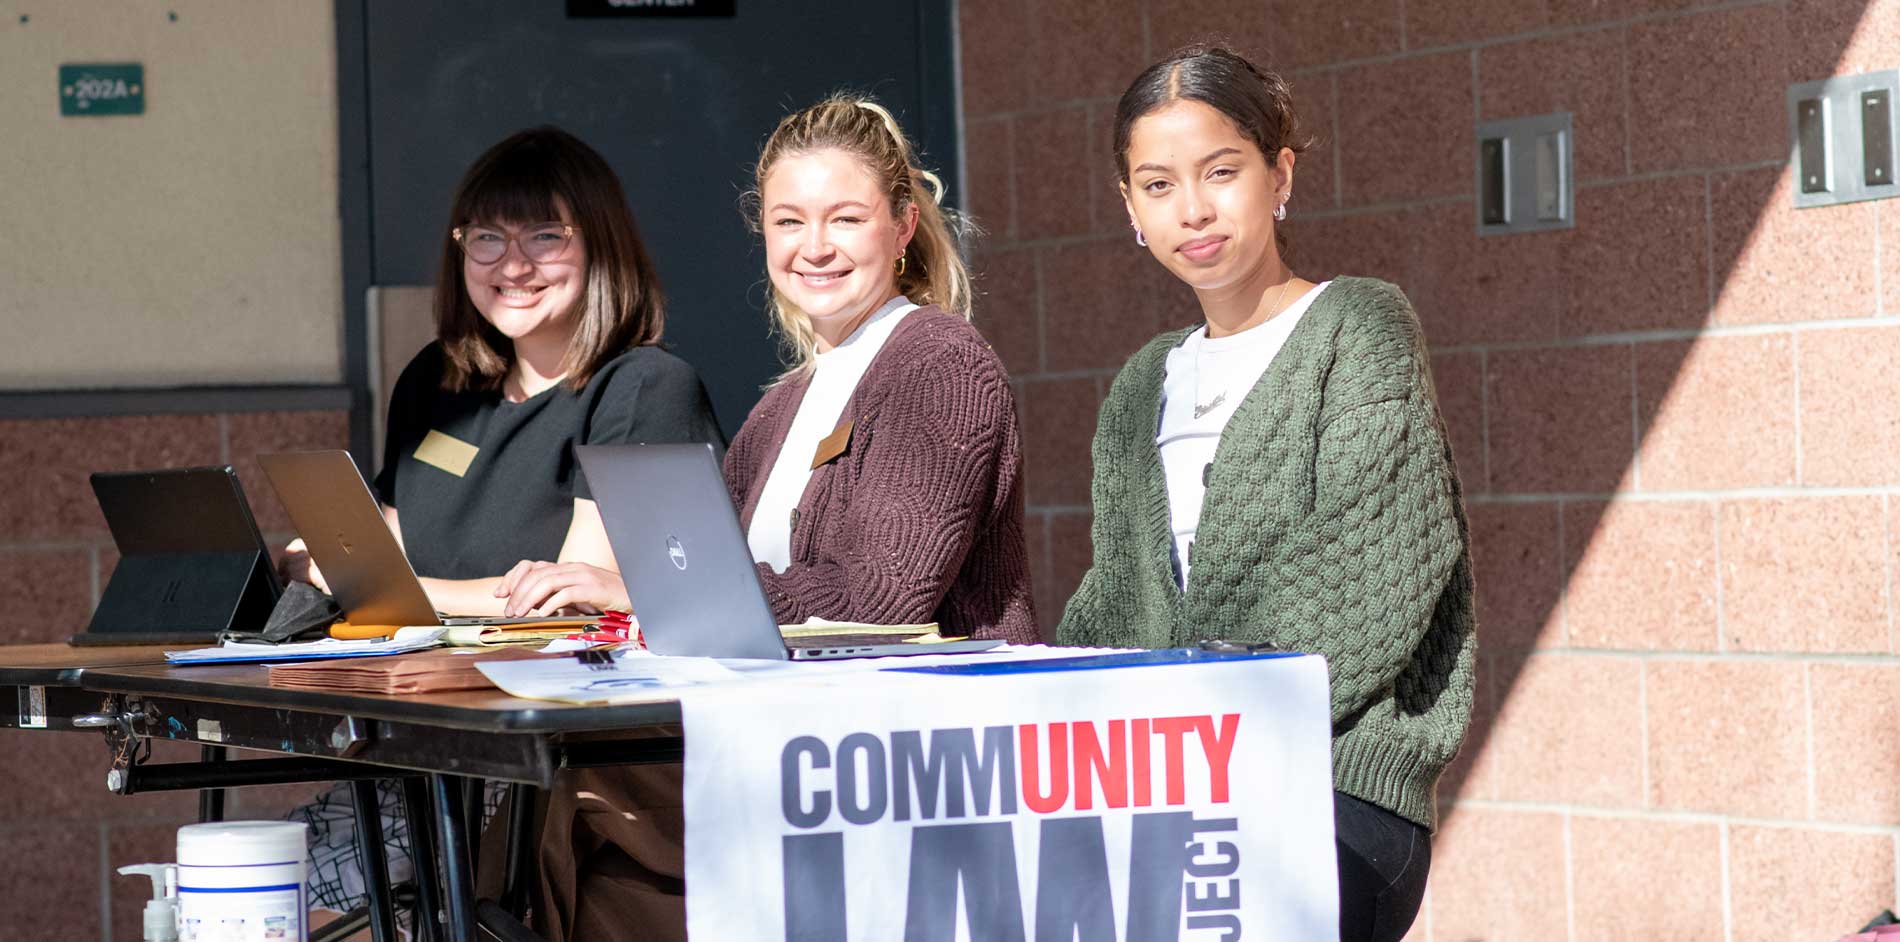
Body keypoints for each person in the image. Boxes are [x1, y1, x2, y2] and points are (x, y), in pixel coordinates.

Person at [521, 94, 1038, 941]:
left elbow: (879, 599)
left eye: (846, 218)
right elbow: (711, 592)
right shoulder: (785, 403)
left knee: (571, 795)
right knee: (539, 790)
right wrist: (614, 601)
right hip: (790, 741)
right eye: (789, 220)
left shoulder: (940, 362)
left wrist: (647, 590)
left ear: (903, 226)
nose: (815, 247)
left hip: (905, 755)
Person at [1055, 45, 1475, 942]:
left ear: (1279, 176)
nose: (1194, 210)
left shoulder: (1357, 329)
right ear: (1130, 208)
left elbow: (1370, 585)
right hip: (1171, 781)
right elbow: (1114, 604)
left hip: (1332, 791)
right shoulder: (1141, 384)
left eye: (1221, 172)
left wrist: (1181, 730)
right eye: (1158, 185)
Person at [280, 125, 724, 922]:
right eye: (488, 237)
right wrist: (327, 559)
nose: (513, 265)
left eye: (545, 236)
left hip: (546, 773)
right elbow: (385, 544)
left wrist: (398, 588)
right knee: (246, 880)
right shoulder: (436, 380)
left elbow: (570, 600)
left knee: (296, 898)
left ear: (602, 247)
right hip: (425, 740)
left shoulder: (642, 388)